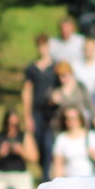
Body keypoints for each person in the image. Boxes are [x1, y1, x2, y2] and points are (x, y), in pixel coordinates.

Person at [18, 35, 58, 180]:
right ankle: (43, 172)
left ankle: (46, 175)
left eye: (45, 46)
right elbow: (27, 91)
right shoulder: (32, 69)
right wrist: (27, 115)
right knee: (38, 142)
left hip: (51, 113)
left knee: (49, 143)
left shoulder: (55, 67)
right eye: (40, 46)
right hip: (37, 111)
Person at [48, 106, 95, 181]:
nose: (70, 121)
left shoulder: (91, 136)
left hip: (91, 181)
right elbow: (58, 164)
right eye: (67, 118)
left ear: (80, 119)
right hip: (70, 182)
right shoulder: (61, 139)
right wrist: (57, 181)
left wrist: (93, 154)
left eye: (73, 118)